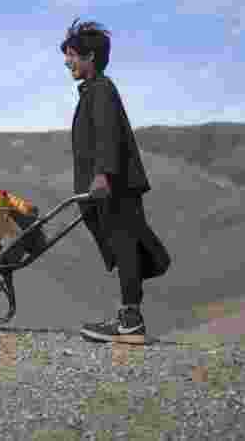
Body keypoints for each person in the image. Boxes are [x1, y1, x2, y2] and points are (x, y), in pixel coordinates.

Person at [61, 19, 171, 343]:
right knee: (126, 247)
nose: (67, 61)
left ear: (89, 57)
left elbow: (108, 136)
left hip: (113, 187)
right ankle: (129, 318)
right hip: (108, 187)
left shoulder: (102, 90)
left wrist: (102, 175)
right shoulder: (93, 92)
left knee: (125, 246)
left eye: (71, 54)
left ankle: (131, 321)